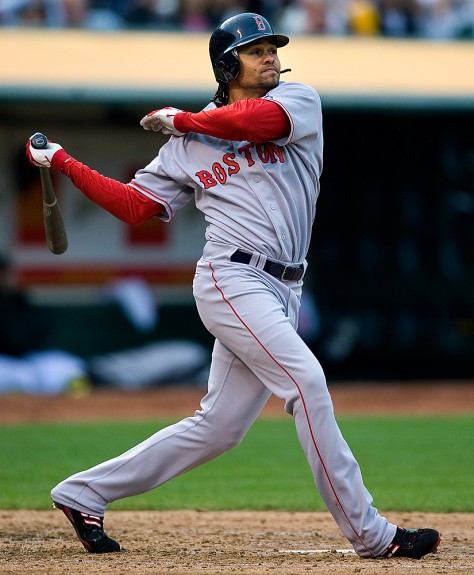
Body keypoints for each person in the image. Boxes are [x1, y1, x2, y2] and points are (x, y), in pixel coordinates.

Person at [26, 12, 440, 560]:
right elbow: (136, 206)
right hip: (231, 278)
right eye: (255, 50)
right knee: (307, 384)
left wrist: (185, 120)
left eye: (272, 47)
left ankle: (84, 493)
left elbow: (254, 123)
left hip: (285, 287)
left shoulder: (296, 101)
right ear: (228, 64)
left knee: (219, 427)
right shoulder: (184, 146)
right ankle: (373, 535)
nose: (269, 55)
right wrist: (63, 161)